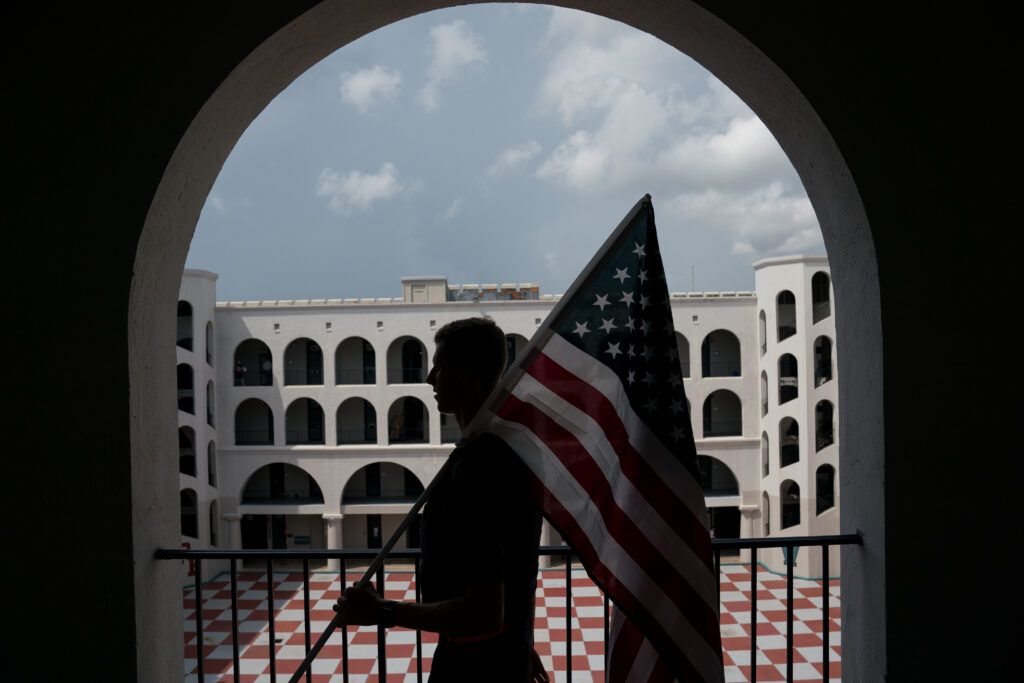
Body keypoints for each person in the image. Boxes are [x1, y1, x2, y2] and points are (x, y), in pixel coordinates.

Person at [334, 317, 547, 683]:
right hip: (504, 654)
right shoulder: (511, 453)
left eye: (439, 366)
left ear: (464, 373)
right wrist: (522, 642)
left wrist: (383, 611)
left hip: (472, 665)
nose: (430, 378)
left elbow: (482, 612)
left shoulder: (476, 469)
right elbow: (519, 568)